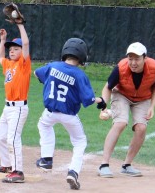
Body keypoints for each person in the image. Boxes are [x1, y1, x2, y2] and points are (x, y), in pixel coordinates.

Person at [34, 38, 107, 190]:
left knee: (43, 125)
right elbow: (88, 99)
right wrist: (101, 101)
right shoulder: (79, 75)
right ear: (82, 57)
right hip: (69, 116)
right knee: (80, 142)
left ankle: (46, 159)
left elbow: (37, 74)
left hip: (50, 112)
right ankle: (73, 172)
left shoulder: (53, 66)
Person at [98, 42, 155, 178]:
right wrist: (104, 106)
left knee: (141, 128)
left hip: (143, 98)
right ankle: (104, 165)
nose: (133, 62)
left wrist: (152, 106)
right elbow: (108, 87)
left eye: (137, 59)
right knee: (120, 123)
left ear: (145, 58)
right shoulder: (120, 68)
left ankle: (126, 165)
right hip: (121, 94)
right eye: (130, 58)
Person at [0, 18, 31, 183]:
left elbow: (26, 43)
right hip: (7, 108)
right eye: (11, 49)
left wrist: (20, 25)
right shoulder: (8, 64)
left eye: (16, 49)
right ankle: (7, 165)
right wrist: (2, 41)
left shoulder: (24, 64)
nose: (12, 51)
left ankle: (18, 172)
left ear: (22, 52)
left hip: (18, 108)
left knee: (12, 139)